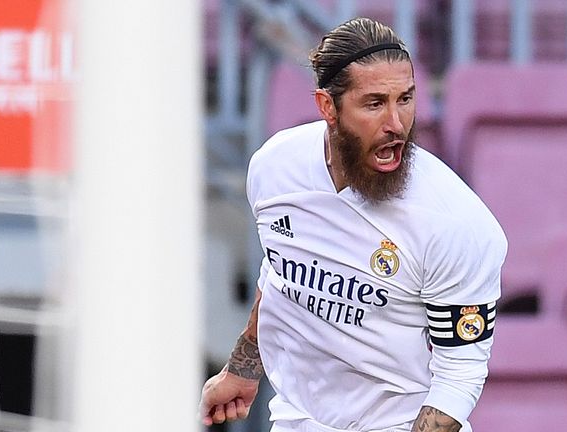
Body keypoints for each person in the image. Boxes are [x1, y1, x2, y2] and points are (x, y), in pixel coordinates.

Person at [199, 17, 507, 432]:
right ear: (327, 106)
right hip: (296, 420)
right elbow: (277, 273)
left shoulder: (456, 223)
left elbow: (460, 375)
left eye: (406, 99)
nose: (396, 124)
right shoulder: (274, 168)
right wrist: (242, 368)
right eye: (375, 103)